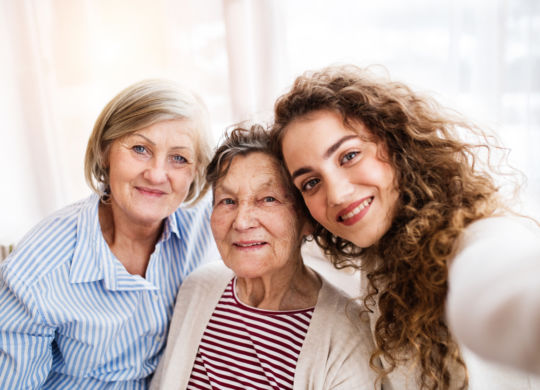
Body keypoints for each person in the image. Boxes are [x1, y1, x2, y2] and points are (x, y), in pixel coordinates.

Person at [269, 65, 540, 389]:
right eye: (311, 182)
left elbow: (501, 280)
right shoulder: (379, 257)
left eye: (349, 156)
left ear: (396, 142)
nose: (337, 194)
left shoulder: (481, 240)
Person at [0, 79, 218, 388]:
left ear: (196, 171)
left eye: (179, 158)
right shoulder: (37, 269)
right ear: (105, 152)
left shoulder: (208, 224)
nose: (157, 174)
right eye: (140, 149)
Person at [150, 125, 378, 390]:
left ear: (307, 219)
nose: (242, 221)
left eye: (268, 199)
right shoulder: (197, 287)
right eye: (227, 201)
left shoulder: (348, 336)